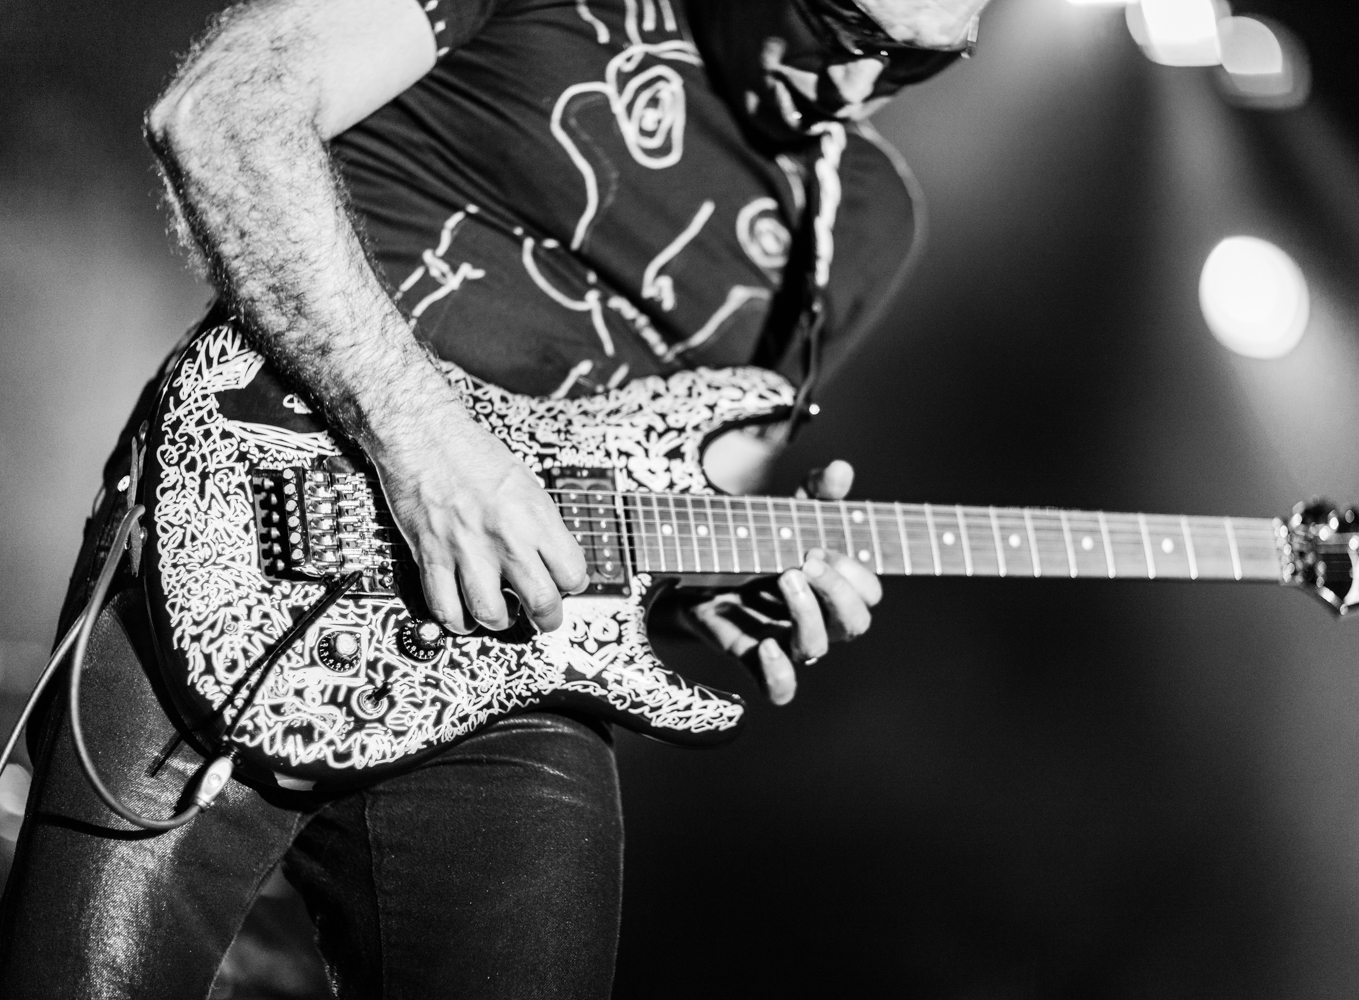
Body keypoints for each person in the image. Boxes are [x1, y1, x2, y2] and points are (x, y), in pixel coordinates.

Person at [0, 0, 987, 995]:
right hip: (255, 546)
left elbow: (687, 497)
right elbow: (222, 113)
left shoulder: (861, 219)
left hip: (522, 665)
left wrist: (714, 587)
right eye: (848, 30)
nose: (856, 91)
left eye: (919, 65)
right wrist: (428, 451)